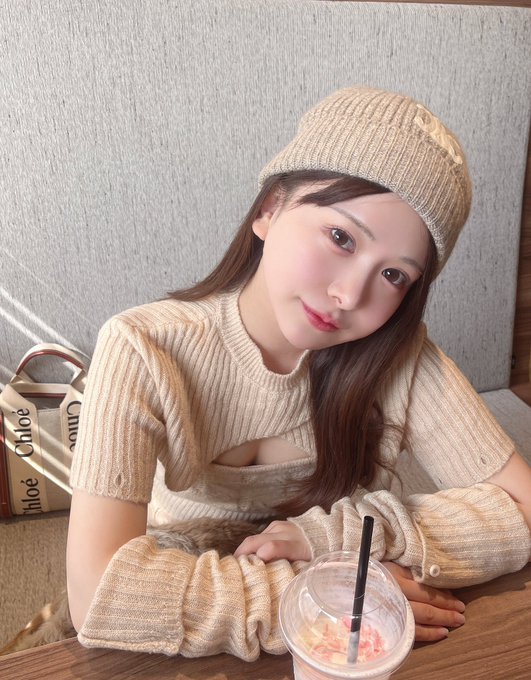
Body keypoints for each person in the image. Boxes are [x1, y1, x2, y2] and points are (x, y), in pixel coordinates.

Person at [66, 86, 531, 660]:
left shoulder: (399, 355)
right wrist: (317, 596)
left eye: (393, 275)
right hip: (205, 572)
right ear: (269, 209)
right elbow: (98, 592)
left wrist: (342, 539)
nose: (348, 295)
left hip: (356, 590)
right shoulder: (143, 347)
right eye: (341, 237)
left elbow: (523, 507)